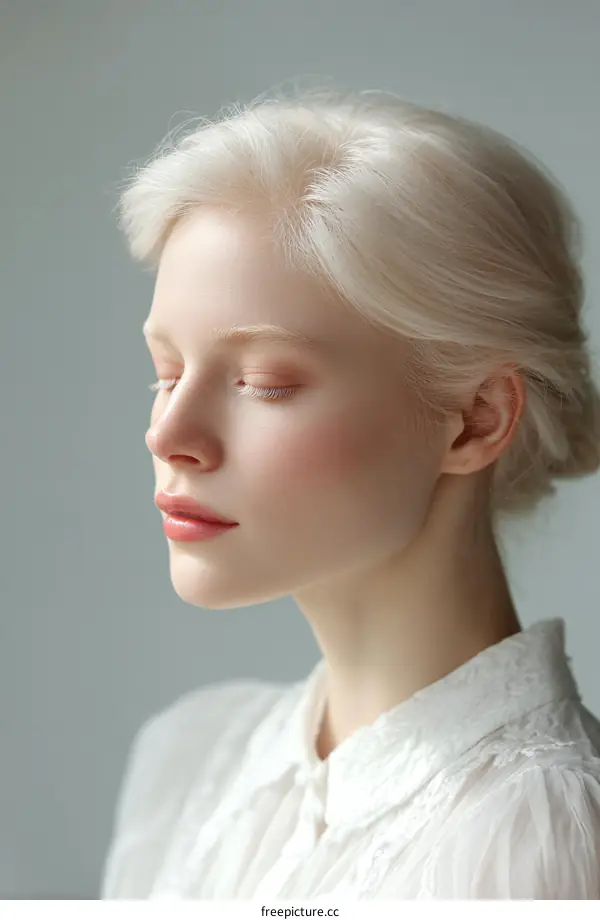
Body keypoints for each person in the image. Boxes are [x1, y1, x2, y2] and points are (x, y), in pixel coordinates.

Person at [101, 87, 600, 899]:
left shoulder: (544, 841)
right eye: (167, 373)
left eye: (264, 382)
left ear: (477, 419)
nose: (169, 434)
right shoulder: (189, 762)